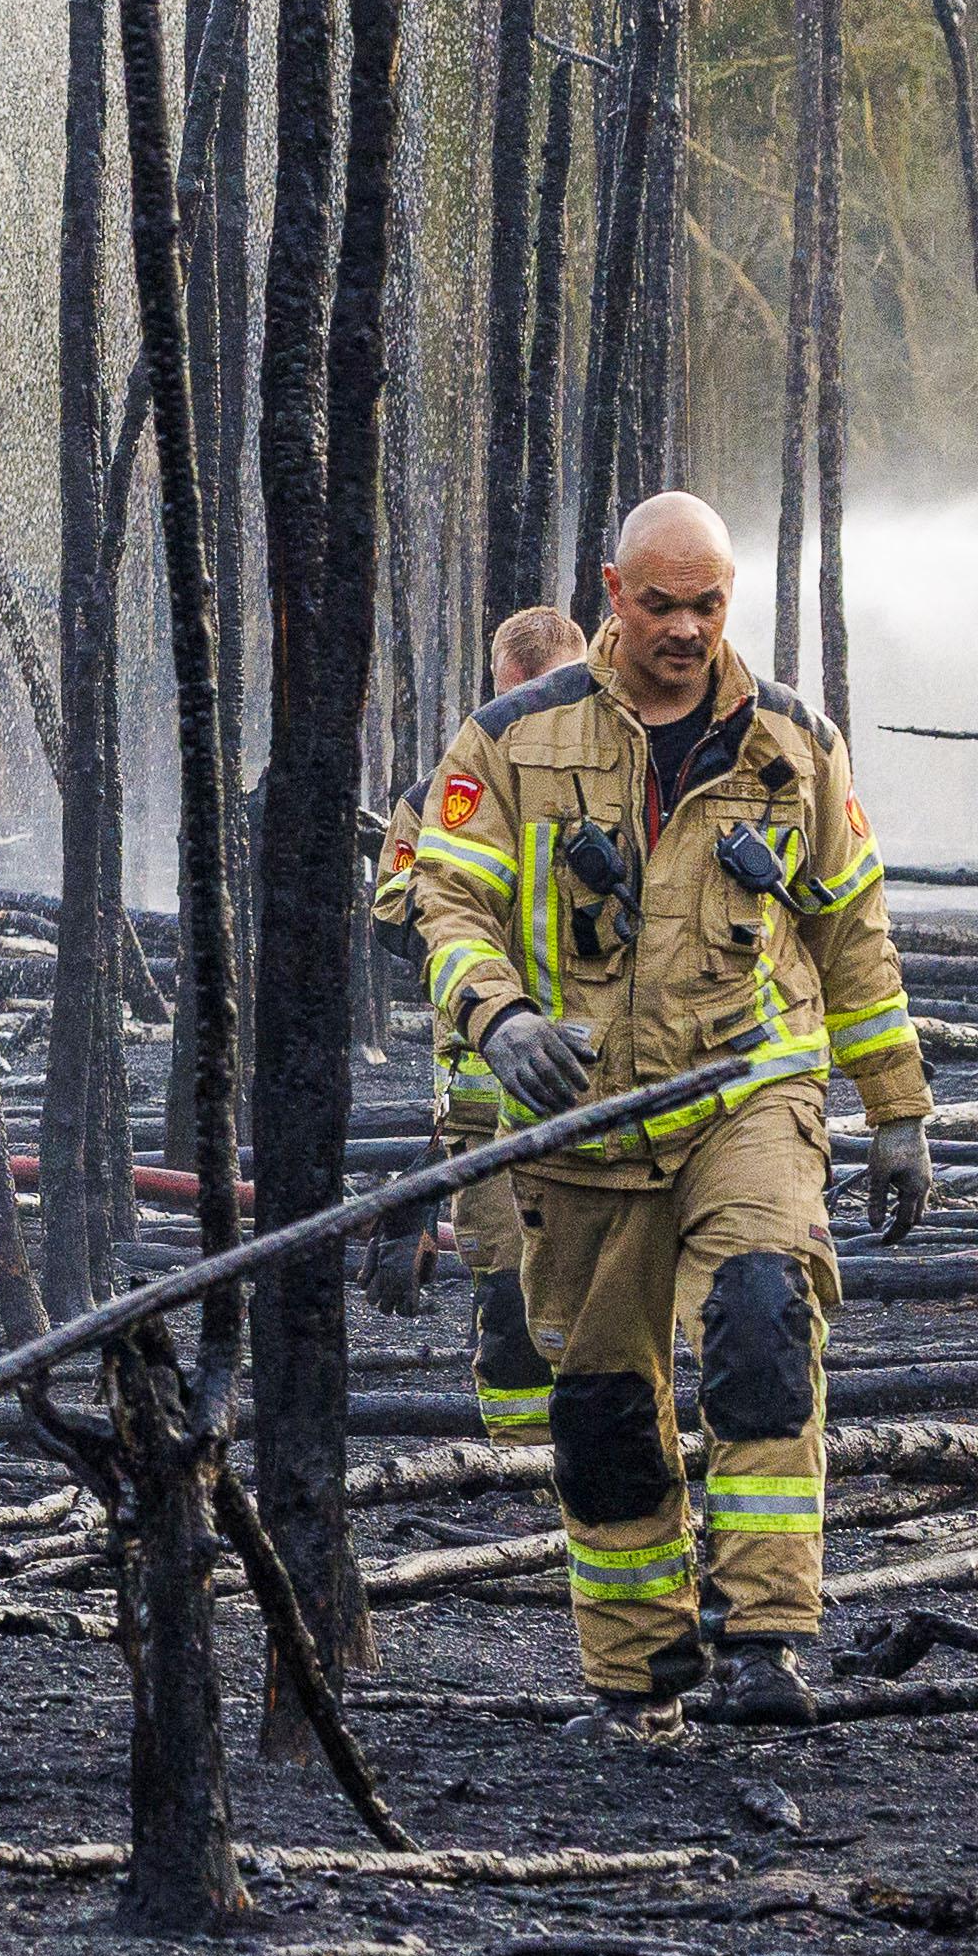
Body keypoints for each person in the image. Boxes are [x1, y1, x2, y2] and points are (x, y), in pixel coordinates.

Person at [410, 493, 931, 1734]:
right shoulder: (510, 741)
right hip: (579, 1126)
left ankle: (765, 1637)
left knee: (761, 1320)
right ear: (612, 592)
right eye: (662, 605)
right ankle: (642, 1671)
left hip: (746, 1091)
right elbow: (447, 907)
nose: (687, 630)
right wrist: (501, 1021)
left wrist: (897, 1108)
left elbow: (850, 931)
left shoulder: (792, 745)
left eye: (708, 605)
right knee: (598, 1410)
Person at [366, 603, 588, 1439]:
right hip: (485, 1100)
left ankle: (602, 1462)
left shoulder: (622, 782)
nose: (519, 722)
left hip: (611, 1082)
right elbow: (392, 914)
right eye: (506, 701)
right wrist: (468, 924)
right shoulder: (438, 797)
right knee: (508, 1286)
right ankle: (523, 1466)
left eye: (543, 699)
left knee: (611, 1287)